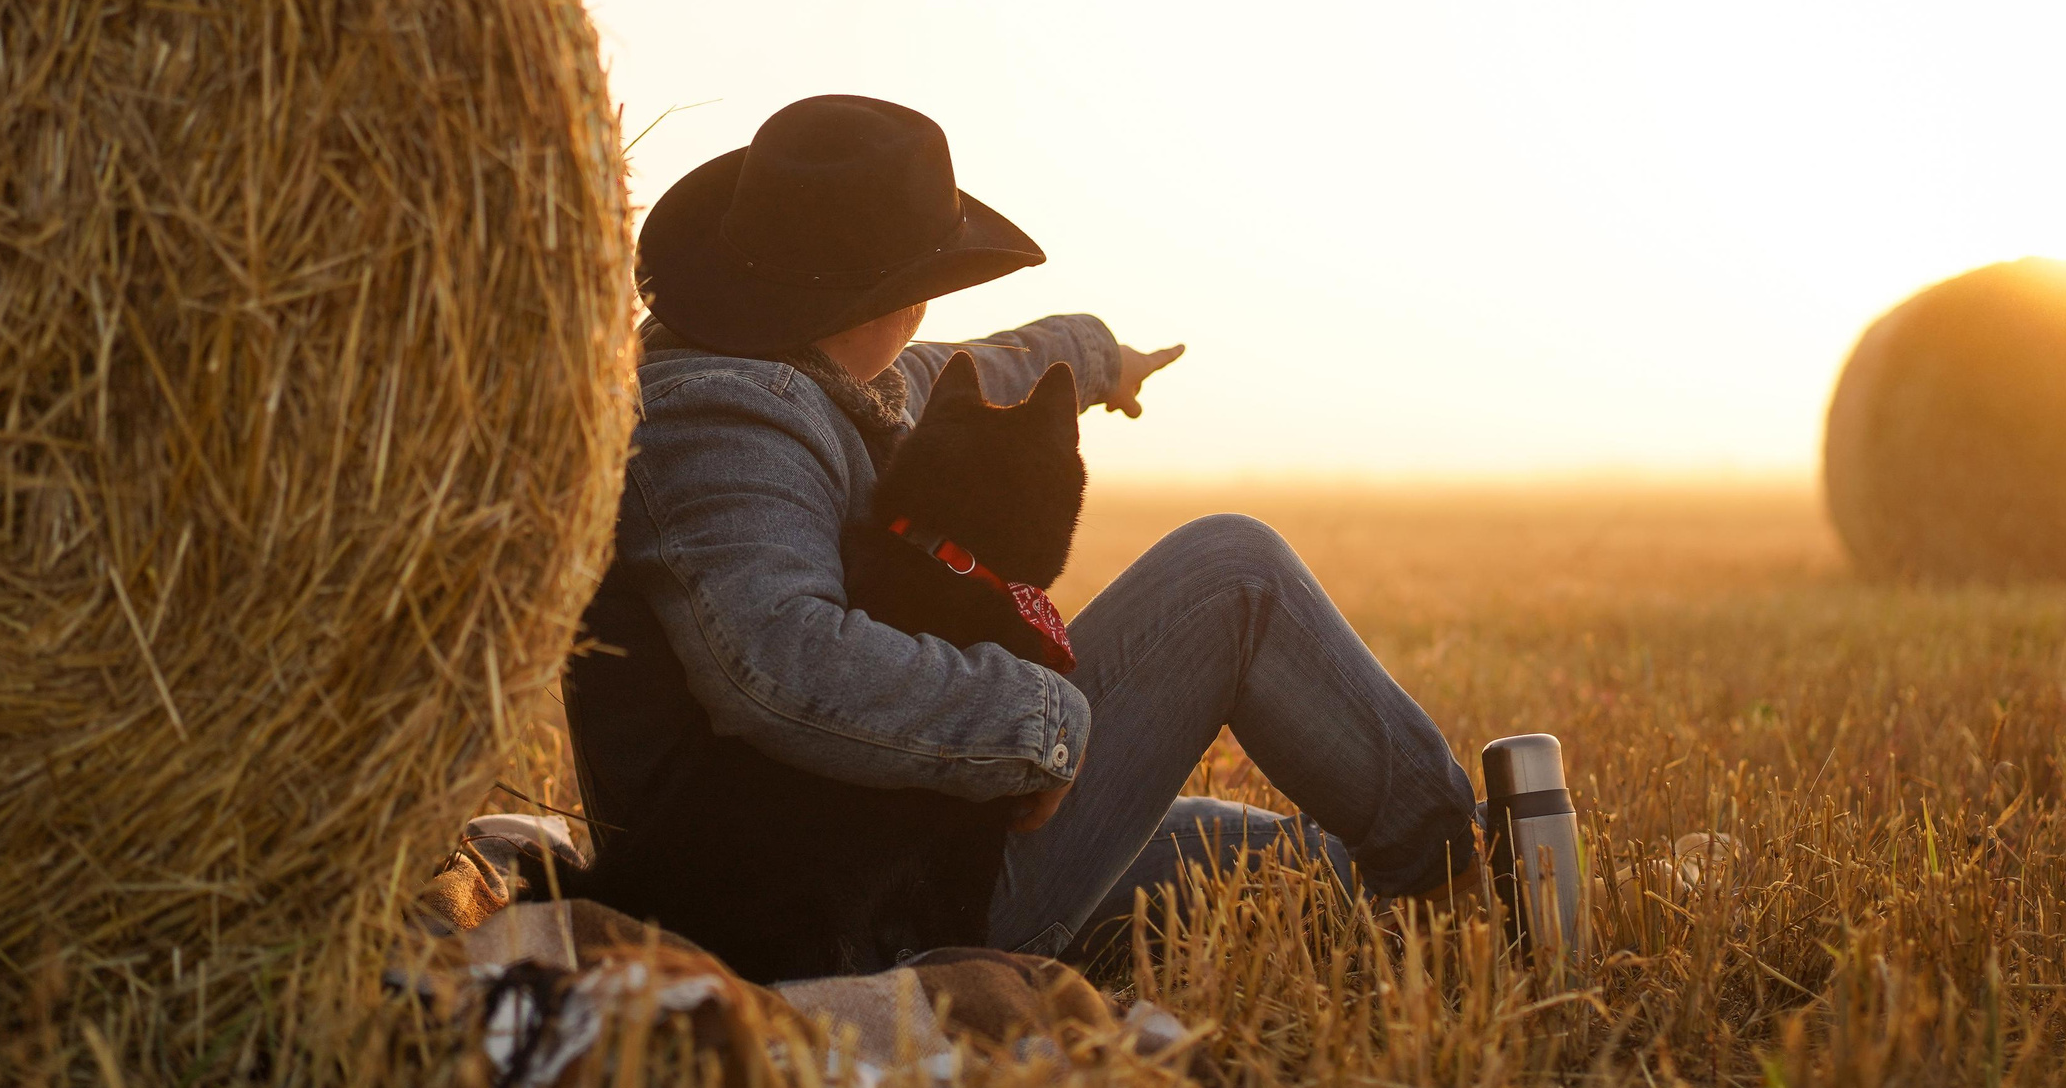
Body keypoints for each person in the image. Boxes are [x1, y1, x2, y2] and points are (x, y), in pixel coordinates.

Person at [564, 94, 1479, 968]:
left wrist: (1097, 356)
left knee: (1278, 858)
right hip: (850, 894)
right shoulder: (721, 421)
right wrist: (1038, 721)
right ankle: (1469, 867)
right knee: (1233, 571)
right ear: (894, 295)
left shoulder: (795, 369)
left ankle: (1427, 874)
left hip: (917, 824)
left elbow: (959, 372)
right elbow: (775, 663)